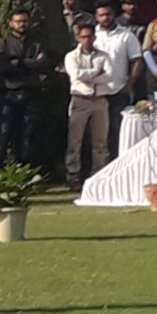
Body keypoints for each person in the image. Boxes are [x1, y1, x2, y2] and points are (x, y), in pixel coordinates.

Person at [0, 9, 49, 168]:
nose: (21, 24)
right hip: (8, 94)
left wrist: (18, 62)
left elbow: (43, 64)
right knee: (3, 134)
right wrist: (28, 64)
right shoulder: (3, 43)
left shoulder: (36, 43)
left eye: (24, 21)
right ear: (11, 23)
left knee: (27, 135)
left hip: (30, 94)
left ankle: (23, 169)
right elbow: (0, 66)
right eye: (18, 21)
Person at [63, 22, 113, 190]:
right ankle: (73, 176)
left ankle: (98, 175)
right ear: (78, 38)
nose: (87, 40)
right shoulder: (72, 56)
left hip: (99, 100)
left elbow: (110, 76)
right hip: (80, 100)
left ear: (94, 37)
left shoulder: (103, 56)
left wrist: (89, 76)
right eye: (83, 37)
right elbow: (75, 75)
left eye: (90, 36)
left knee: (100, 141)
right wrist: (96, 72)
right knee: (75, 141)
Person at [93, 1, 144, 159]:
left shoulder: (126, 35)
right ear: (96, 17)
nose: (105, 18)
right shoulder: (91, 35)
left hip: (118, 90)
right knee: (97, 133)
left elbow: (137, 60)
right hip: (95, 93)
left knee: (117, 130)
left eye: (108, 14)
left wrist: (129, 84)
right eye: (102, 15)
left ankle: (117, 163)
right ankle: (98, 168)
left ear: (114, 15)